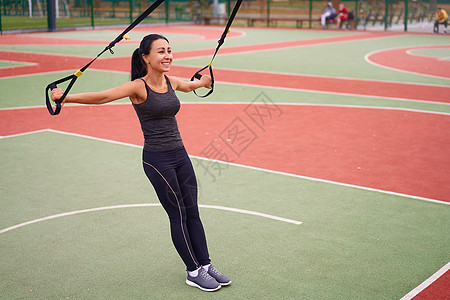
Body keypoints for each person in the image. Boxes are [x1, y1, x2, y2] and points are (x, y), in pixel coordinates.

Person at [51, 33, 231, 292]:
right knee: (178, 214)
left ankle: (205, 264)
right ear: (145, 57)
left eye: (169, 50)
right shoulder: (138, 86)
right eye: (161, 51)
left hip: (181, 155)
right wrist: (66, 98)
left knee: (193, 210)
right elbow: (103, 97)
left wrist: (203, 83)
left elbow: (188, 86)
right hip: (158, 159)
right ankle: (193, 271)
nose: (167, 55)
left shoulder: (170, 81)